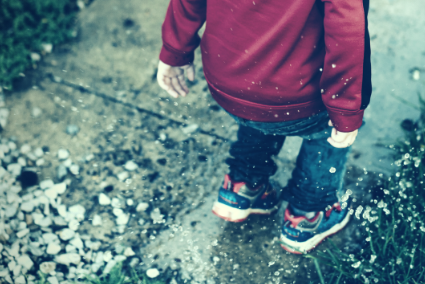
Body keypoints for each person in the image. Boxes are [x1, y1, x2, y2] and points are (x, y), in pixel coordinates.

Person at [157, 0, 372, 254]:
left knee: (257, 107)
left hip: (229, 81)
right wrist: (345, 107)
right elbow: (346, 26)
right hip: (297, 92)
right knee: (326, 131)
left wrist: (175, 50)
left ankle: (243, 184)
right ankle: (309, 212)